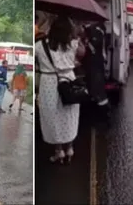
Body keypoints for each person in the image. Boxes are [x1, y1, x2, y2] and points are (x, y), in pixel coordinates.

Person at [35, 15, 85, 164]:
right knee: (68, 115)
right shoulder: (74, 44)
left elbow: (36, 62)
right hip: (69, 81)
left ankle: (59, 151)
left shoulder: (40, 45)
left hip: (49, 83)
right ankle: (70, 148)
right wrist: (76, 36)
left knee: (53, 117)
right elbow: (83, 54)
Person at [82, 21, 109, 107]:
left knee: (95, 76)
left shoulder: (94, 30)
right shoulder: (101, 29)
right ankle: (99, 97)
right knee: (97, 76)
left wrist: (87, 42)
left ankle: (99, 98)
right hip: (99, 57)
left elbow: (94, 47)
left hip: (95, 58)